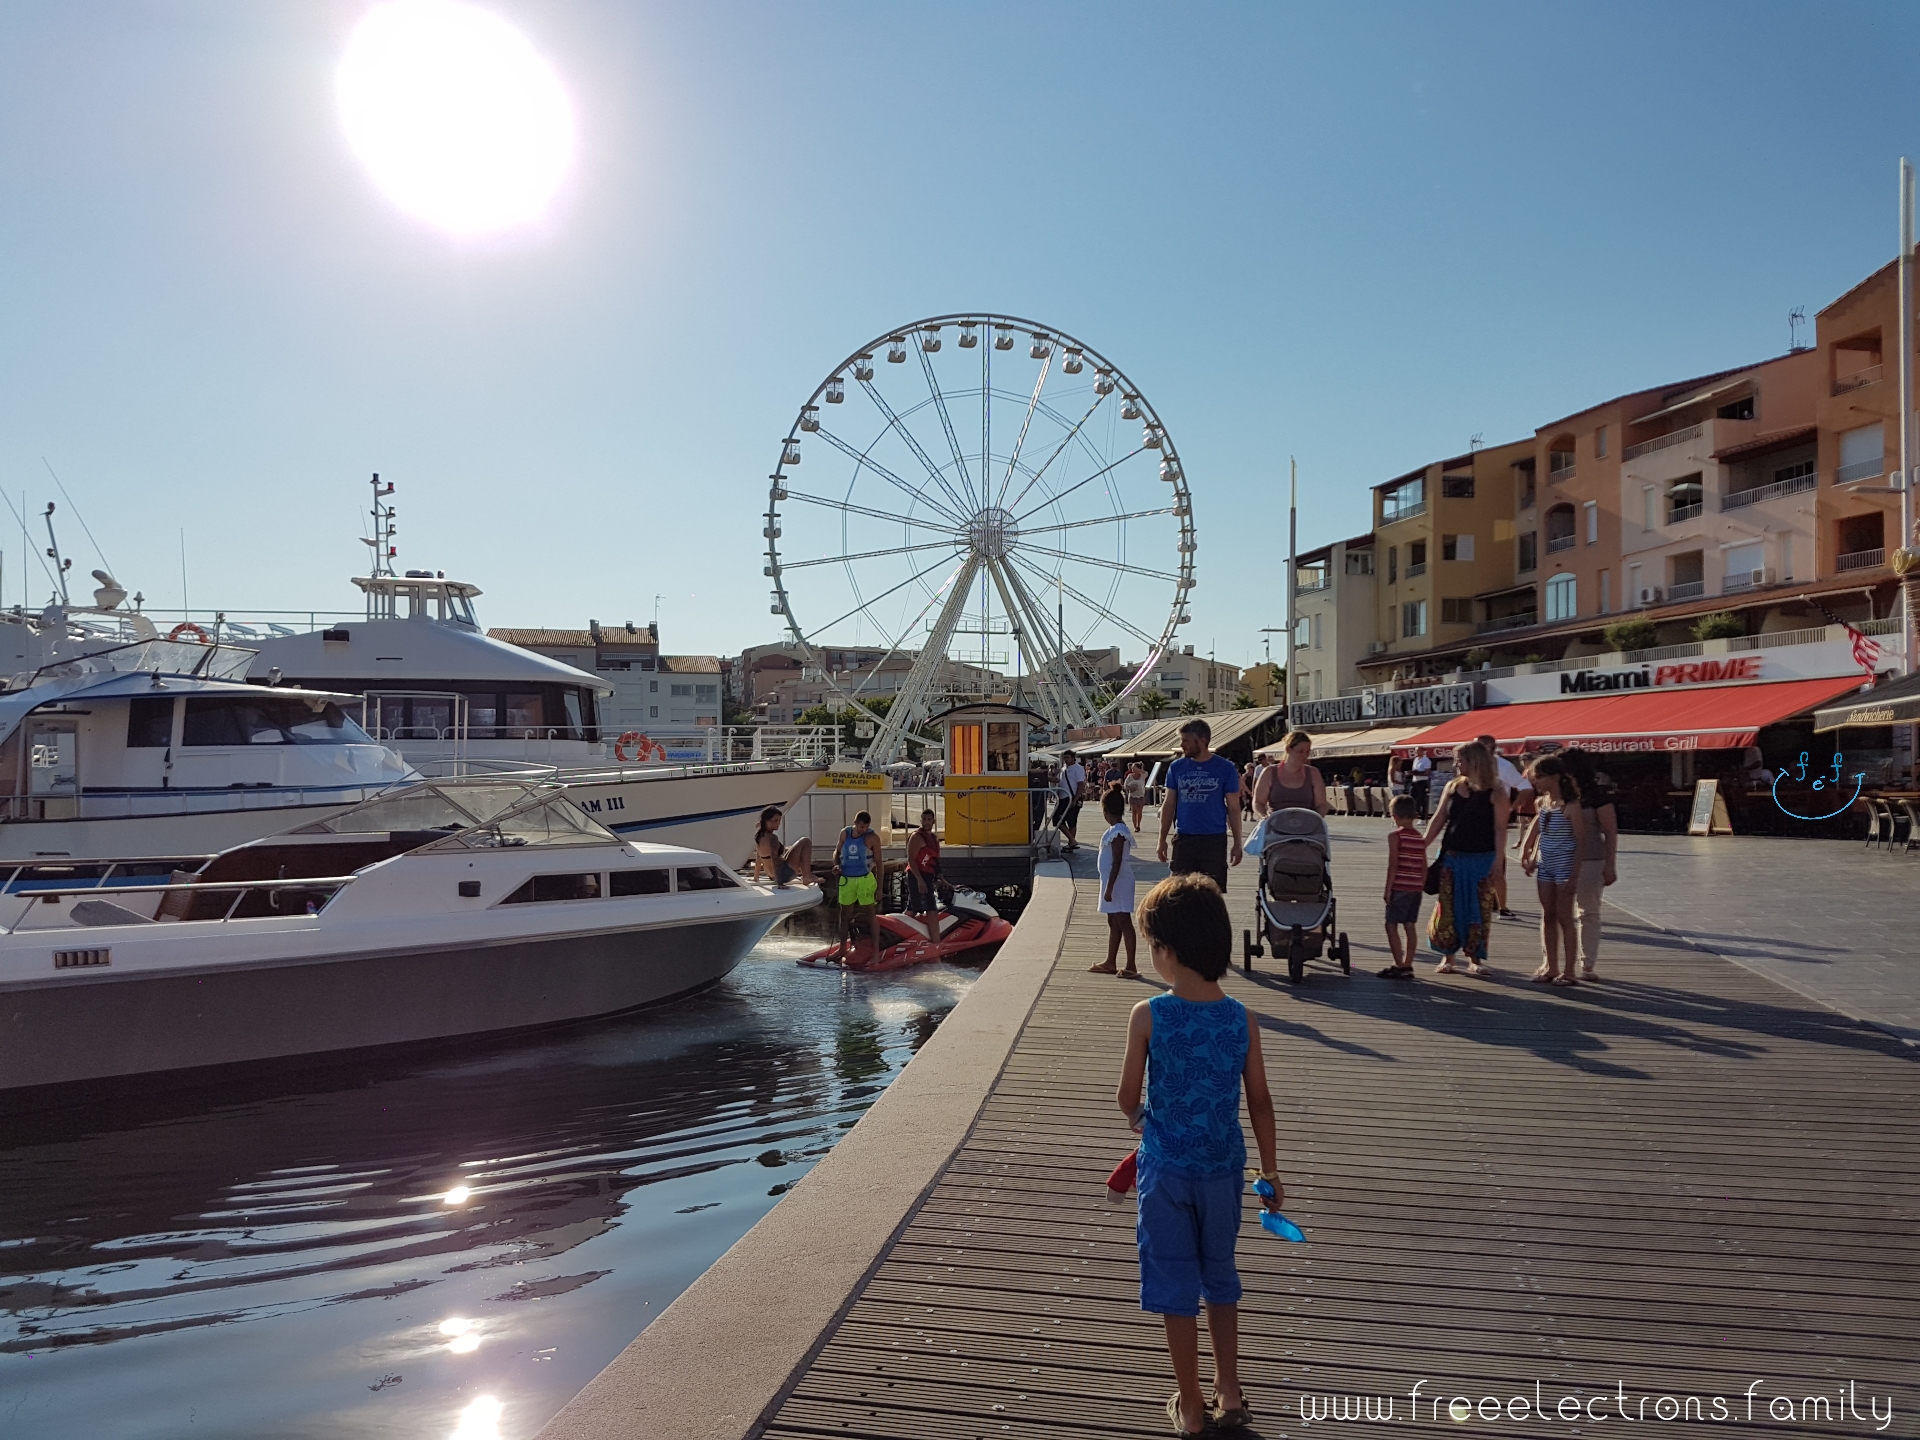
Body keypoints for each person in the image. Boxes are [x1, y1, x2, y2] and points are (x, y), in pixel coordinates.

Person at [1116, 874, 1281, 1437]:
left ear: (1167, 951)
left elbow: (1126, 1099)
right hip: (1223, 1169)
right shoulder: (1242, 1018)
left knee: (1173, 1282)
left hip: (1164, 1171)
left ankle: (1190, 1405)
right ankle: (1230, 1391)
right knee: (1220, 1274)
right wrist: (1271, 1172)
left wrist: (1144, 1125)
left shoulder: (1148, 1015)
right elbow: (1259, 1102)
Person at [1422, 741, 1509, 977]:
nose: (1456, 764)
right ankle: (1447, 955)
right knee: (1448, 906)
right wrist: (1422, 846)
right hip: (1452, 855)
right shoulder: (1452, 786)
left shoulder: (1497, 791)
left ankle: (1475, 957)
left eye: (1460, 760)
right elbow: (1439, 818)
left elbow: (1501, 829)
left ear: (1475, 761)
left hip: (1482, 857)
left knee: (1478, 909)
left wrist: (1499, 860)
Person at [1156, 720, 1243, 891]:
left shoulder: (1225, 768)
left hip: (1214, 839)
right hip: (1184, 838)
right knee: (1179, 894)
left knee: (1212, 894)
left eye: (1186, 740)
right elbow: (1169, 804)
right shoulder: (1177, 767)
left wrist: (1238, 843)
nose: (1181, 745)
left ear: (1202, 741)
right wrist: (1162, 839)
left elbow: (1233, 807)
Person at [1559, 747, 1618, 979]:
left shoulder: (1597, 796)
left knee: (1588, 912)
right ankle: (1556, 962)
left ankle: (1587, 963)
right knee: (1556, 913)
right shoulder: (1556, 796)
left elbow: (1610, 832)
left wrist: (1610, 865)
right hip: (1560, 859)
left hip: (1591, 859)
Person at [1476, 733, 1530, 919]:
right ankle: (1487, 899)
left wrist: (1511, 809)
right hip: (1475, 818)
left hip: (1495, 818)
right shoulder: (1473, 766)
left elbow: (1525, 786)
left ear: (1491, 748)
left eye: (1481, 746)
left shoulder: (1503, 766)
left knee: (1497, 859)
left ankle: (1502, 905)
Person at [1090, 786, 1139, 975]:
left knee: (1124, 920)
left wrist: (1109, 887)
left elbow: (1117, 861)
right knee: (1113, 921)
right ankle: (1111, 961)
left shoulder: (1119, 831)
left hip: (1119, 881)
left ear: (1105, 810)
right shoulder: (1114, 829)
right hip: (1112, 880)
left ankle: (1131, 965)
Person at [1378, 794, 1427, 979]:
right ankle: (1408, 963)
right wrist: (1420, 885)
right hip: (1415, 888)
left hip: (1400, 886)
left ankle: (1399, 964)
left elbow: (1393, 864)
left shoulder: (1395, 837)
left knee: (1391, 924)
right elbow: (1423, 865)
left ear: (1394, 816)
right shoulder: (1419, 837)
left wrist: (1388, 889)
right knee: (1409, 925)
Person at [832, 811, 881, 960]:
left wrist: (879, 888)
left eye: (866, 827)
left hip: (865, 879)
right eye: (861, 827)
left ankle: (876, 951)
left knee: (870, 914)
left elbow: (879, 863)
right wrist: (836, 865)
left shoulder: (873, 838)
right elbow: (837, 852)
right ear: (855, 823)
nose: (863, 830)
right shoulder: (844, 833)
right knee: (845, 914)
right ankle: (842, 948)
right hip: (847, 879)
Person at [1252, 730, 1328, 817]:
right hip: (1276, 825)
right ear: (1288, 749)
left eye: (1307, 752)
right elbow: (1258, 802)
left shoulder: (1313, 773)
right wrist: (1265, 817)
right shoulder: (1269, 772)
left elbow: (1321, 804)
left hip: (1306, 826)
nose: (1304, 755)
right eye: (1300, 751)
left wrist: (1316, 819)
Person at [751, 805, 813, 887]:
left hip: (771, 875)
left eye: (779, 820)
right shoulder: (772, 838)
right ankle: (807, 876)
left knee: (791, 848)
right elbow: (774, 860)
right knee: (805, 841)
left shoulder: (759, 836)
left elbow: (759, 858)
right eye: (775, 820)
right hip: (783, 875)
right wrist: (779, 883)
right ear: (767, 821)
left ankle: (805, 874)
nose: (778, 823)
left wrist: (756, 877)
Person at [904, 808, 942, 942]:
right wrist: (919, 880)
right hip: (916, 875)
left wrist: (942, 879)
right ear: (920, 820)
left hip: (928, 876)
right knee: (931, 909)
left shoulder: (933, 838)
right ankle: (936, 942)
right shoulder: (917, 837)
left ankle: (900, 932)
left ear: (933, 821)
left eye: (929, 820)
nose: (926, 822)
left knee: (913, 908)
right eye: (924, 819)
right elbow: (911, 860)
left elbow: (935, 862)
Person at [1055, 749, 1088, 853]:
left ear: (1073, 758)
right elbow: (1059, 780)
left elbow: (1080, 784)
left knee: (1071, 821)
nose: (1066, 759)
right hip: (1062, 797)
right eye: (1064, 757)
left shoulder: (1077, 768)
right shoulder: (1064, 768)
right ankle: (1072, 841)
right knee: (1058, 820)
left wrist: (1075, 798)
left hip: (1071, 797)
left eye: (1067, 757)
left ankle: (1071, 843)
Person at [1123, 761, 1149, 832]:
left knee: (1139, 811)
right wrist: (1130, 787)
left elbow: (1146, 773)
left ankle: (1138, 824)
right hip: (1132, 795)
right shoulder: (1130, 776)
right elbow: (1125, 785)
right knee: (1134, 811)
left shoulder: (1143, 775)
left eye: (1134, 768)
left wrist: (1139, 769)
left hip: (1141, 795)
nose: (1132, 769)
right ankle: (1135, 826)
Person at [1410, 750, 1433, 819]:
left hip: (1422, 781)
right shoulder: (1415, 759)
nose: (1416, 752)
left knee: (1422, 798)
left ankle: (1423, 816)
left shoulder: (1426, 760)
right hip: (1415, 781)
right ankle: (1415, 813)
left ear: (1422, 751)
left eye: (1418, 751)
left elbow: (1427, 772)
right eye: (1415, 751)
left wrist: (1418, 773)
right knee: (1413, 798)